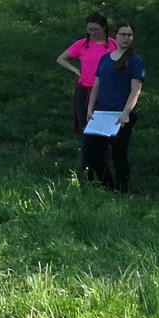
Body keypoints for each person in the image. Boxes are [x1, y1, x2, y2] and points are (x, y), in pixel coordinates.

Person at [83, 22, 145, 193]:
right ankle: (108, 186)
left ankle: (122, 191)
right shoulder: (105, 58)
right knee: (92, 153)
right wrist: (90, 108)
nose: (126, 38)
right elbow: (96, 86)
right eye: (123, 34)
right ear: (115, 36)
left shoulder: (135, 60)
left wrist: (126, 113)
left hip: (121, 115)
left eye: (129, 35)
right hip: (102, 114)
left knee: (119, 155)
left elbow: (135, 90)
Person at [56, 11, 116, 142]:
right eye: (89, 29)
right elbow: (61, 59)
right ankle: (86, 152)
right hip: (85, 89)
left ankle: (104, 152)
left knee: (105, 130)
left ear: (104, 27)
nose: (92, 33)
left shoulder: (113, 44)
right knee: (85, 127)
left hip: (106, 90)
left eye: (96, 29)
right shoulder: (82, 44)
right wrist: (75, 69)